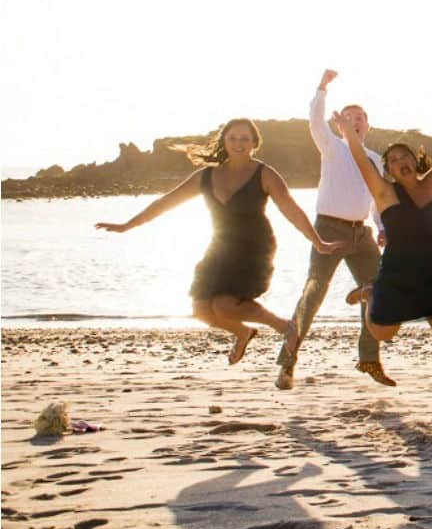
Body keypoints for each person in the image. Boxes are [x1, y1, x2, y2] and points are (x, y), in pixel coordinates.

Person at [96, 118, 339, 370]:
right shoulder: (206, 176)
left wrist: (317, 241)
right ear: (224, 140)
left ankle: (284, 326)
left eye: (245, 138)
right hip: (220, 248)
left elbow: (292, 210)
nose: (238, 143)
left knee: (224, 306)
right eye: (233, 138)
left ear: (255, 143)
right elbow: (167, 202)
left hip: (253, 248)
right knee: (202, 310)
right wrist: (127, 225)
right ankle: (243, 333)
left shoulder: (264, 174)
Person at [336, 94, 432, 380]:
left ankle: (413, 299)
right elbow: (360, 159)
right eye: (393, 160)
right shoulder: (385, 192)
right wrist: (347, 132)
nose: (400, 161)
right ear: (388, 170)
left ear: (414, 160)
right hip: (396, 270)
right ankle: (371, 293)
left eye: (404, 155)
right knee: (383, 333)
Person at [276, 70, 387, 390]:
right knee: (313, 293)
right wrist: (322, 88)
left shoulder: (375, 159)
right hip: (328, 229)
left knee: (378, 292)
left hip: (361, 233)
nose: (355, 121)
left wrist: (381, 227)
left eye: (360, 117)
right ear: (341, 124)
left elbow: (377, 199)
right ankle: (287, 364)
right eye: (349, 117)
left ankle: (369, 358)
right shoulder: (332, 147)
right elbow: (314, 121)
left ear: (368, 125)